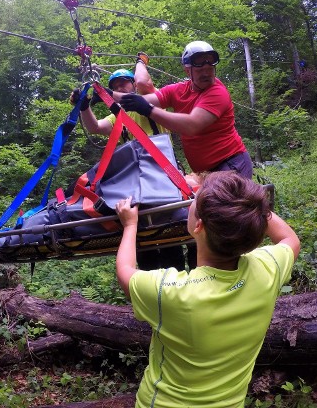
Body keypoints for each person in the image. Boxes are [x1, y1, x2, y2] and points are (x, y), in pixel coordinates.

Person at [114, 171, 300, 407]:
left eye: (194, 199)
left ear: (198, 225)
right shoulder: (267, 269)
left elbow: (125, 270)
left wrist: (130, 224)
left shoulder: (171, 292)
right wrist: (248, 206)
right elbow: (290, 239)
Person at [71, 59, 187, 271]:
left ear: (133, 85)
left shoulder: (149, 102)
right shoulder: (118, 116)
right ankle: (149, 285)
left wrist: (111, 92)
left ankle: (177, 279)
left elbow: (144, 87)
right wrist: (85, 107)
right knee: (142, 234)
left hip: (162, 172)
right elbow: (95, 127)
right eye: (115, 86)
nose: (119, 88)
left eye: (124, 83)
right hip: (134, 178)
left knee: (168, 229)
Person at [118, 41, 254, 179]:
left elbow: (192, 125)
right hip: (206, 172)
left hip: (230, 164)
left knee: (211, 200)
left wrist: (148, 110)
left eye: (210, 69)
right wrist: (105, 94)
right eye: (200, 70)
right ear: (188, 71)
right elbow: (139, 100)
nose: (206, 74)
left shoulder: (217, 92)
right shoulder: (179, 90)